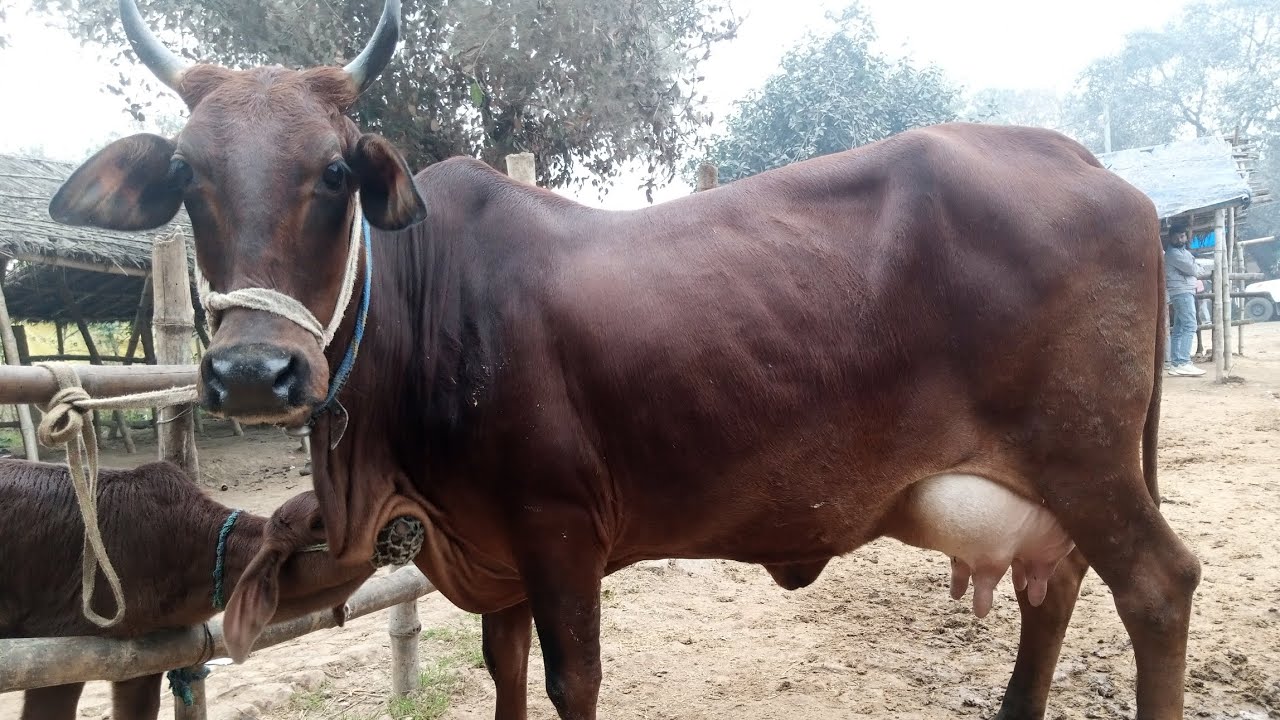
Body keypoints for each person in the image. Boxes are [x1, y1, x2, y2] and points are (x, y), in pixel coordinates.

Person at [1165, 231, 1207, 377]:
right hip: (1182, 292)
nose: (1179, 238)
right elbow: (1194, 269)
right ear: (1170, 238)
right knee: (1190, 325)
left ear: (1186, 237)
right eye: (1176, 236)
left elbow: (1194, 267)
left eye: (1182, 235)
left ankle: (1176, 363)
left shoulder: (1182, 253)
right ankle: (1184, 362)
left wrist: (1194, 267)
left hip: (1181, 292)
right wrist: (1195, 268)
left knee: (1179, 327)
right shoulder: (1174, 254)